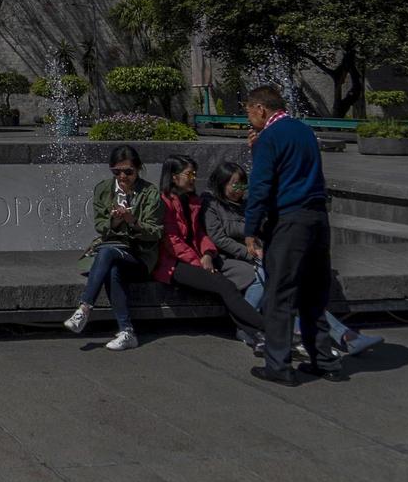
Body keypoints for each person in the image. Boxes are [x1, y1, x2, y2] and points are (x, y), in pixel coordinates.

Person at [204, 161, 383, 357]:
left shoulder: (248, 205)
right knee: (275, 283)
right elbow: (218, 238)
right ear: (221, 184)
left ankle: (343, 336)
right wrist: (251, 253)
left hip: (258, 257)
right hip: (231, 260)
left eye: (243, 185)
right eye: (235, 184)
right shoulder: (212, 205)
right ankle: (311, 334)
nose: (240, 190)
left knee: (293, 291)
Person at [243, 86, 344, 385]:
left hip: (289, 221)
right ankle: (325, 362)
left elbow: (261, 187)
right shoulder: (303, 130)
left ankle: (278, 365)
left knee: (280, 295)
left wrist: (251, 229)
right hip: (317, 219)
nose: (249, 120)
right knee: (314, 293)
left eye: (249, 113)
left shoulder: (269, 137)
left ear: (261, 109)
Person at [154, 155, 267, 350]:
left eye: (195, 174)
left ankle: (257, 332)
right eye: (189, 174)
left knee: (225, 286)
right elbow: (172, 241)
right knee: (224, 285)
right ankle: (266, 329)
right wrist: (199, 262)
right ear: (174, 177)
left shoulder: (193, 201)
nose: (193, 178)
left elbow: (199, 234)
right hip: (173, 264)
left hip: (198, 258)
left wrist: (207, 253)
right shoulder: (164, 202)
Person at [63, 145, 162, 350]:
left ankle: (85, 308)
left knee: (108, 253)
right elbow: (100, 226)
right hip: (114, 250)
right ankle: (127, 332)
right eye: (116, 172)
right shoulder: (103, 189)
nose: (122, 177)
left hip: (140, 254)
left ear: (138, 169)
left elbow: (155, 232)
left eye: (128, 172)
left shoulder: (150, 192)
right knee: (113, 270)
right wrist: (115, 222)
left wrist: (132, 221)